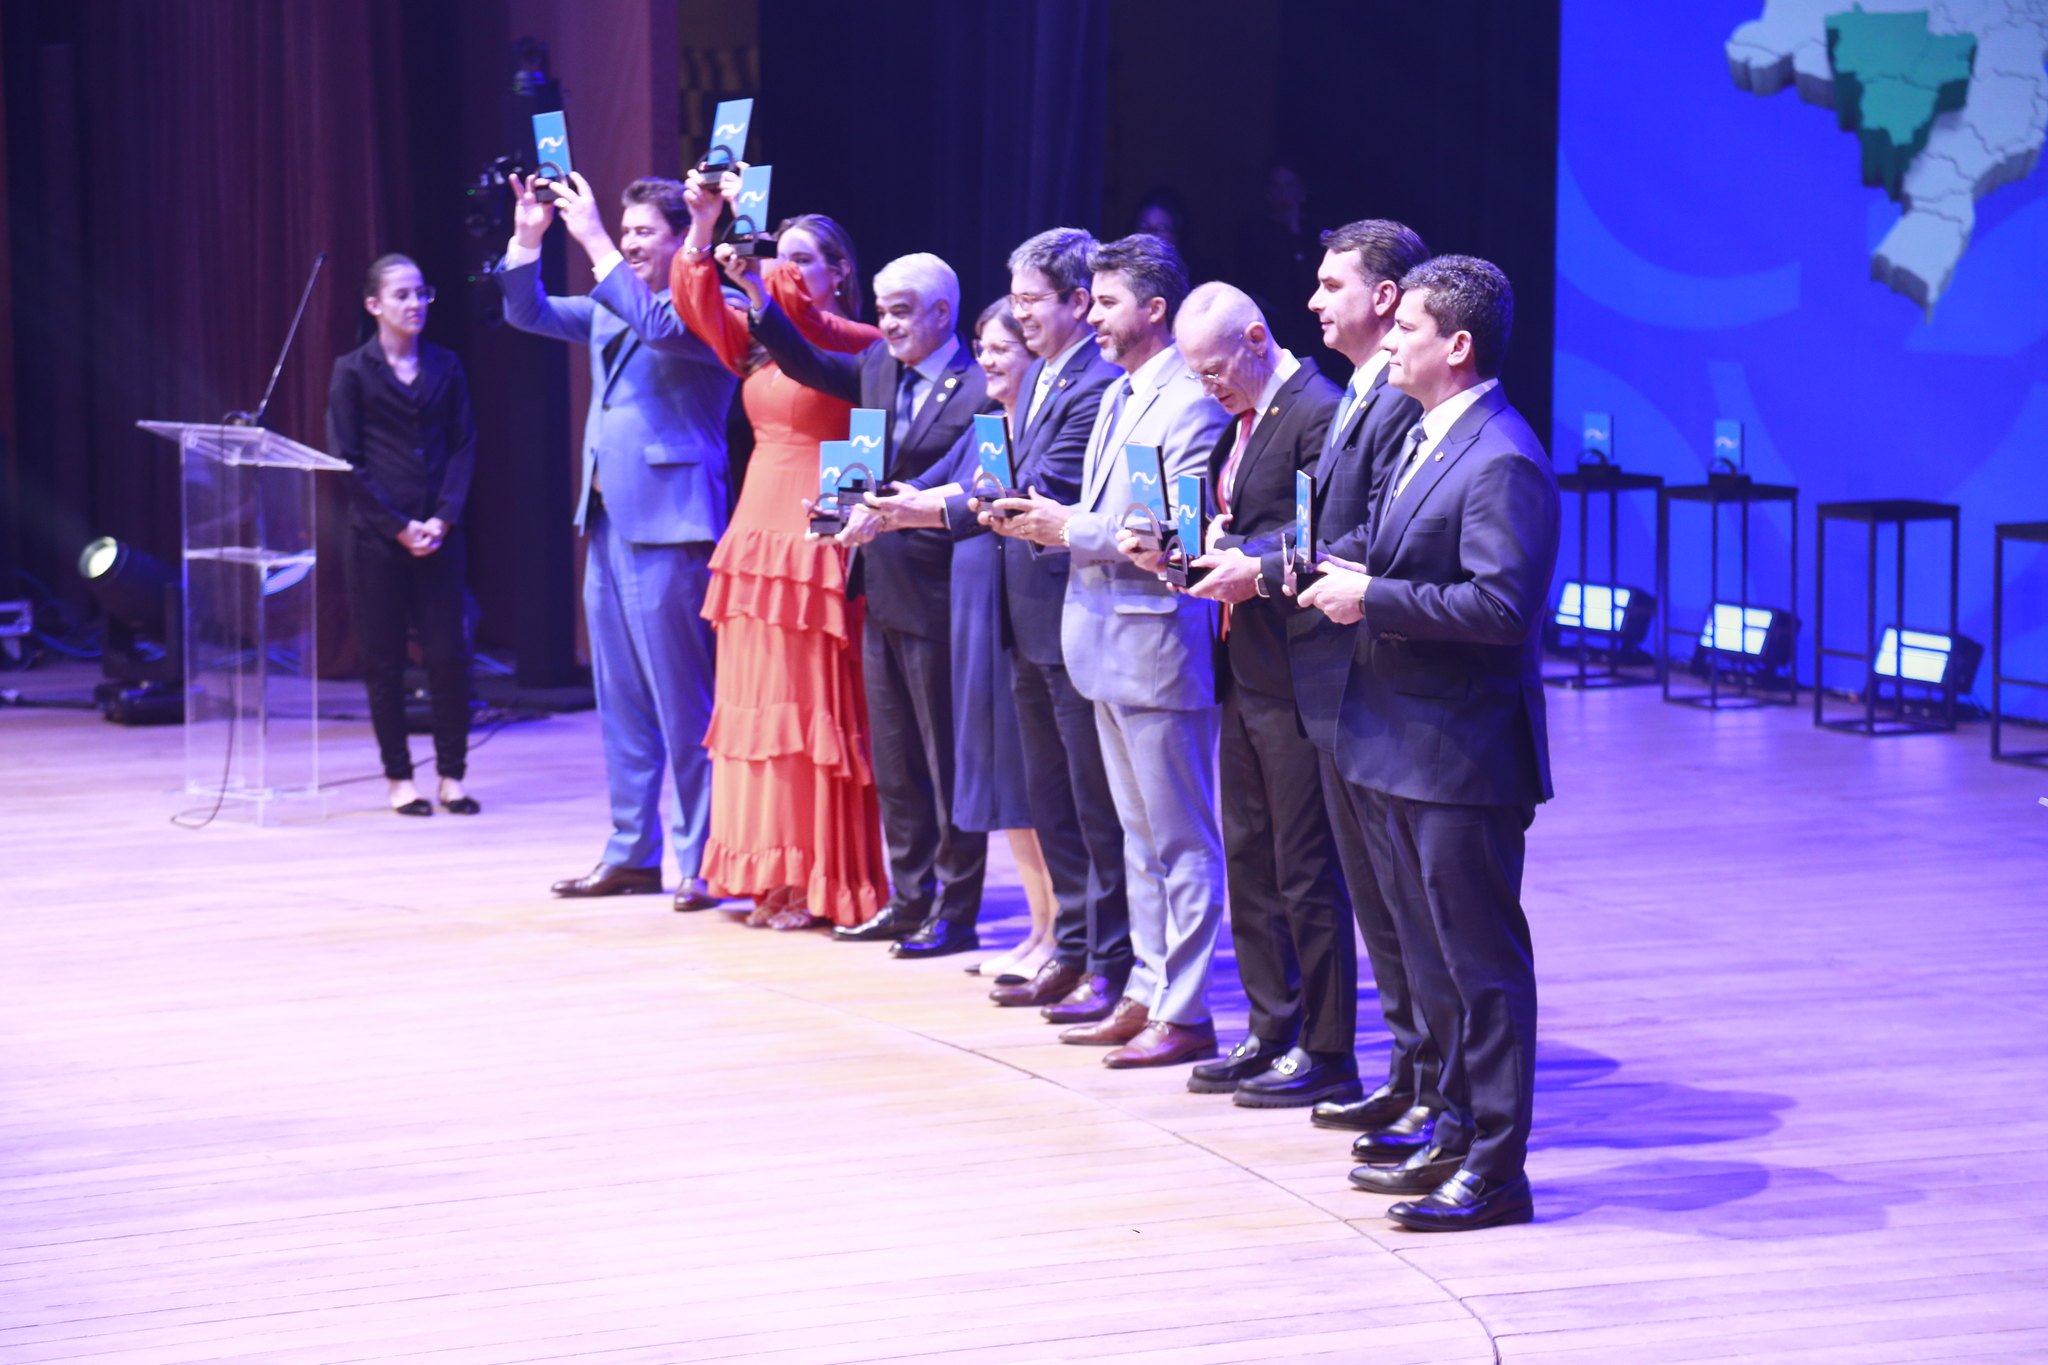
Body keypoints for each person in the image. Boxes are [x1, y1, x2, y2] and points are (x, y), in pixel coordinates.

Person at [1300, 254, 1559, 1232]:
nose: (1390, 338)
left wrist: (1370, 596)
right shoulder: (1427, 433)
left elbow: (1499, 605)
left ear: (1456, 346)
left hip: (1460, 756)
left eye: (1406, 326)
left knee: (1480, 968)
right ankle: (1451, 1128)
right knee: (1430, 958)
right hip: (1401, 739)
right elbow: (1391, 550)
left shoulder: (1499, 456)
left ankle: (1497, 1168)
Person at [994, 234, 1230, 1069]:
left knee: (1182, 838)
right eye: (1088, 302)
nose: (1090, 316)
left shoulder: (1191, 402)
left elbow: (1179, 538)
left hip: (1159, 644)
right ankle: (1146, 990)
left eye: (1106, 302)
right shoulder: (1125, 393)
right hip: (1101, 639)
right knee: (1136, 836)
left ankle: (1188, 1006)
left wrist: (1071, 528)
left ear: (1155, 308)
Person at [498, 173, 737, 911]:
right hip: (606, 521)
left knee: (685, 705)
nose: (630, 242)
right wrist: (529, 240)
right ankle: (632, 852)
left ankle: (703, 858)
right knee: (623, 702)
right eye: (624, 231)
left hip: (672, 523)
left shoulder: (709, 307)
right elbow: (528, 312)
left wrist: (594, 238)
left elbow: (662, 326)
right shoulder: (612, 304)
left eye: (644, 232)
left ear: (680, 237)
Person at [748, 250, 993, 960]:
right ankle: (908, 896)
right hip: (878, 587)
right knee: (896, 758)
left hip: (943, 594)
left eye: (900, 311)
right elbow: (806, 361)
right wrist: (756, 292)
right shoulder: (879, 369)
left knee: (945, 760)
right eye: (881, 309)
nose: (884, 323)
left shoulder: (979, 387)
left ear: (942, 314)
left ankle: (955, 908)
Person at [670, 172, 890, 930]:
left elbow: (802, 331)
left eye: (803, 258)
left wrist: (759, 265)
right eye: (779, 253)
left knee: (811, 712)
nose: (786, 267)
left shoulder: (859, 343)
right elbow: (698, 303)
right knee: (759, 711)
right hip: (756, 528)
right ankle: (766, 875)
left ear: (839, 274)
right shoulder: (761, 346)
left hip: (816, 530)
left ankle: (818, 878)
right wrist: (704, 225)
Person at [1175, 282, 1357, 1109]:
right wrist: (1205, 544)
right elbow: (1243, 516)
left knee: (1304, 865)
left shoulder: (1319, 409)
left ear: (1255, 337)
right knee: (1249, 855)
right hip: (1241, 666)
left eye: (1213, 370)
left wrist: (1248, 557)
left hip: (1296, 667)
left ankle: (1325, 1047)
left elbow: (1324, 532)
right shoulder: (1240, 420)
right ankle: (1268, 1025)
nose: (1207, 386)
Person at [861, 301, 1058, 979]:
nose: (990, 358)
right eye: (982, 346)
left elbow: (968, 501)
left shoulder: (1035, 426)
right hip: (977, 605)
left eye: (1002, 346)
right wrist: (873, 504)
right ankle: (1040, 926)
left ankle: (1060, 930)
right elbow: (931, 479)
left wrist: (907, 509)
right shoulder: (988, 425)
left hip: (1012, 606)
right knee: (1000, 777)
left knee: (1030, 780)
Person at [978, 229, 1131, 1024]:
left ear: (1078, 301)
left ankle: (1111, 962)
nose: (1017, 313)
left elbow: (1043, 489)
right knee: (1053, 801)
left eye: (1032, 299)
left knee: (1093, 807)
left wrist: (935, 506)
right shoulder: (1040, 378)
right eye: (1015, 297)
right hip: (1028, 620)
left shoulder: (1097, 384)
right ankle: (1071, 948)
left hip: (1077, 620)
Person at [328, 254, 478, 818]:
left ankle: (452, 776)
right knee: (383, 660)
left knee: (448, 656)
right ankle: (399, 779)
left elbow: (464, 445)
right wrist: (397, 526)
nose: (416, 305)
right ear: (374, 306)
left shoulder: (447, 365)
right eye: (402, 296)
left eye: (422, 293)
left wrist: (443, 517)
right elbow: (347, 461)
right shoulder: (352, 371)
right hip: (376, 539)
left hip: (440, 534)